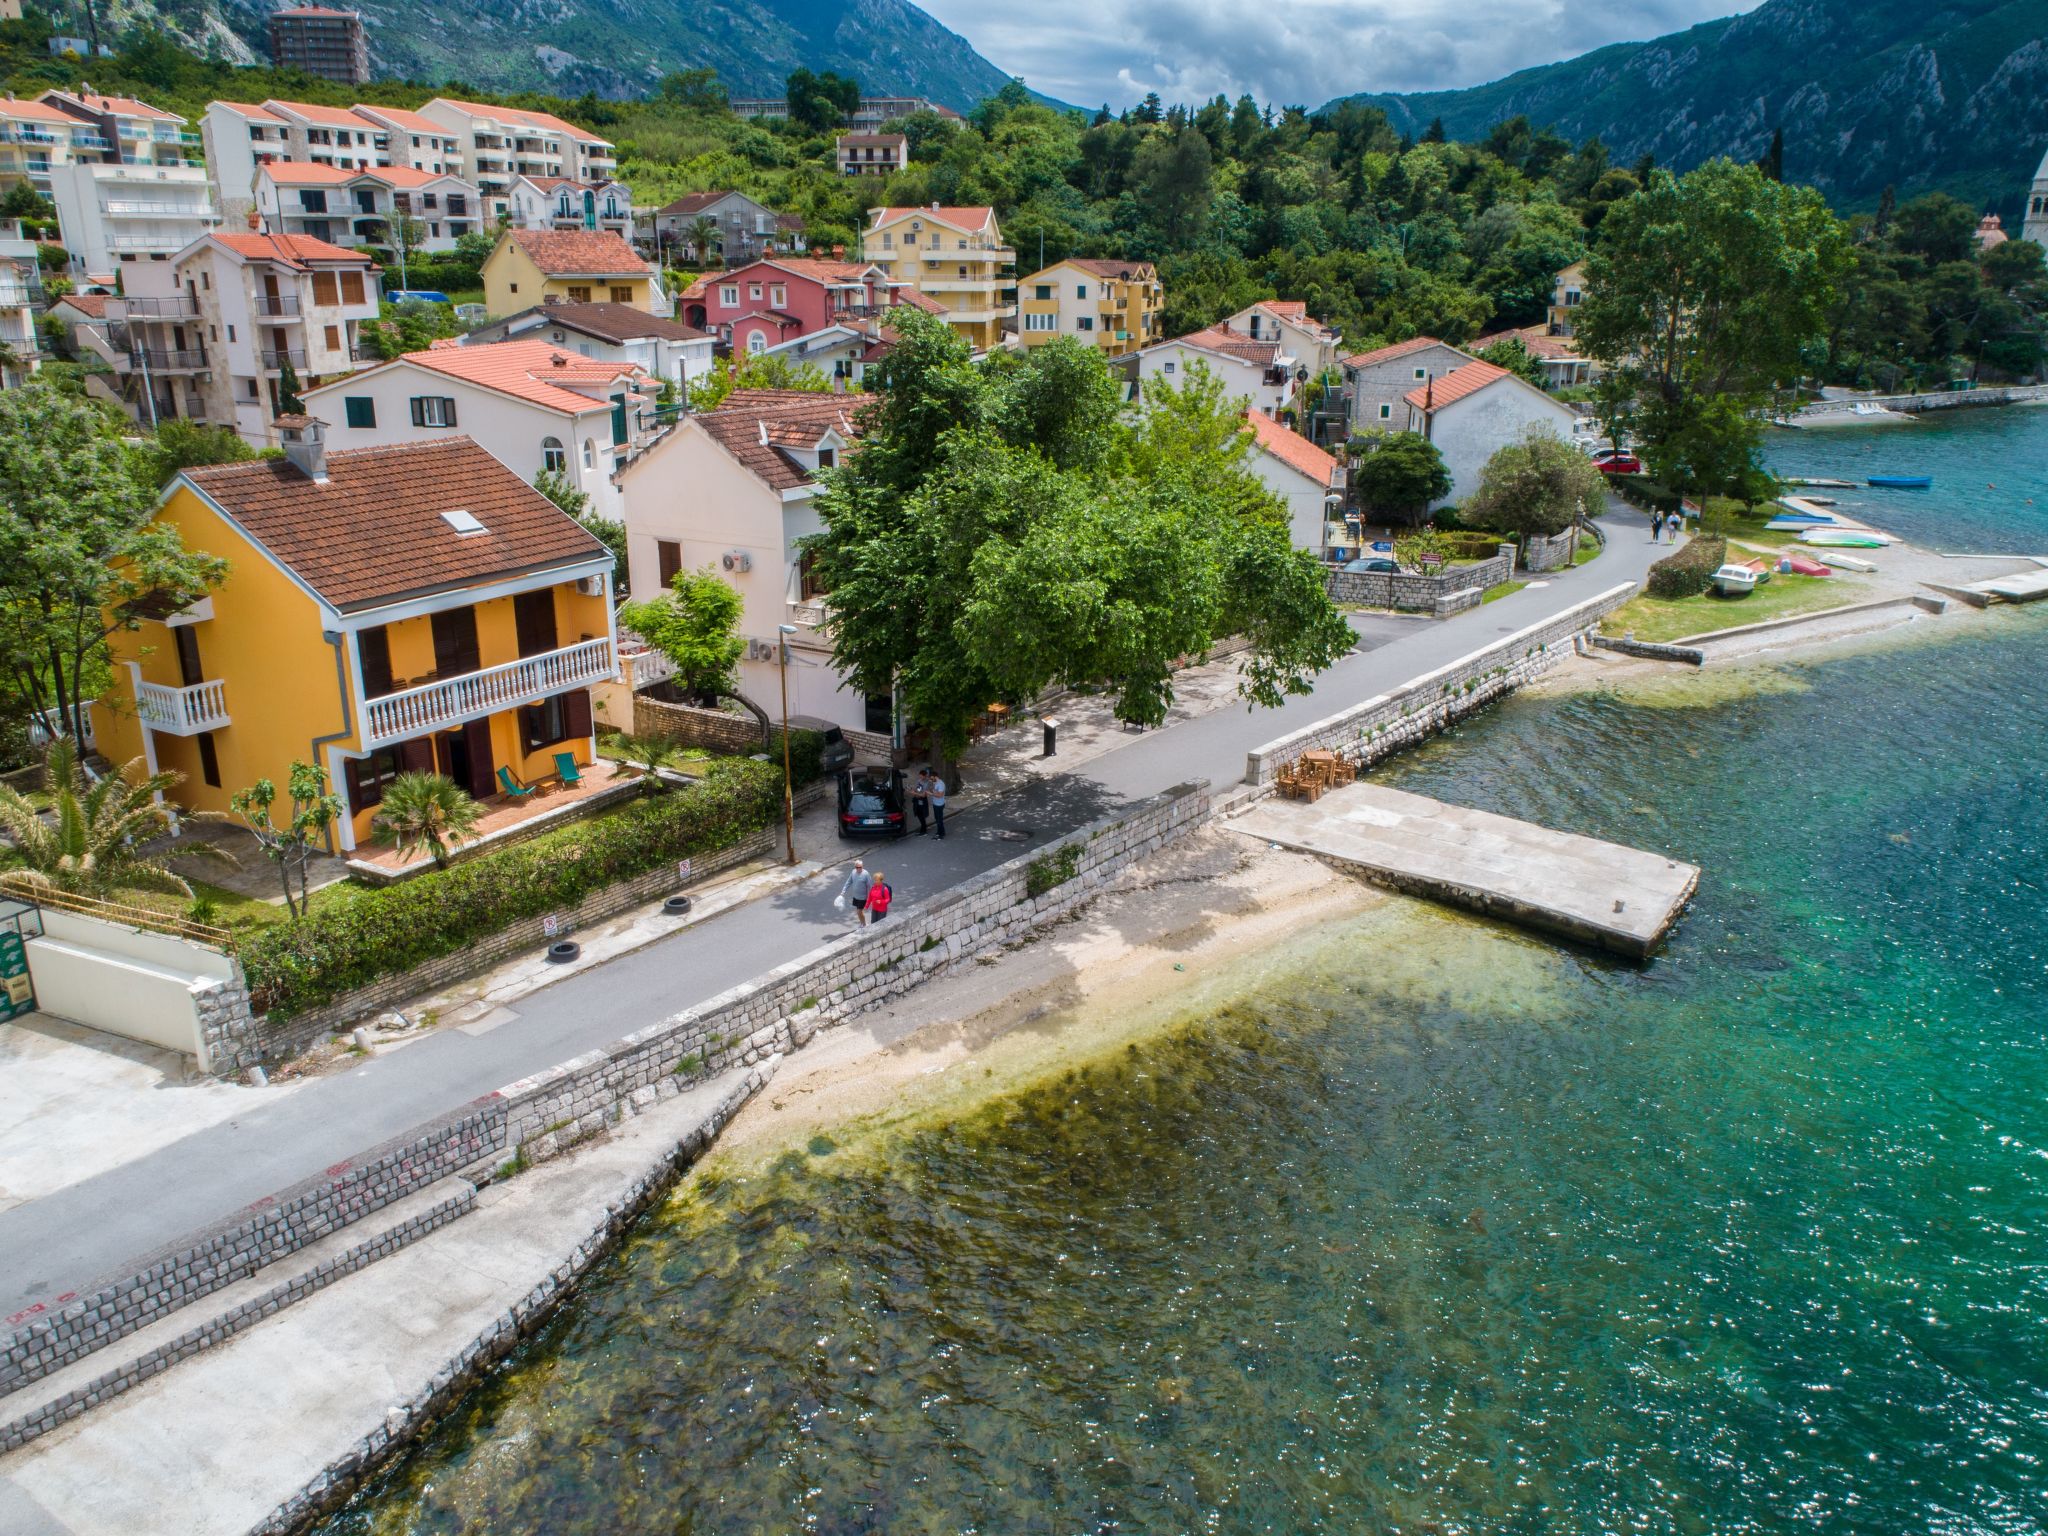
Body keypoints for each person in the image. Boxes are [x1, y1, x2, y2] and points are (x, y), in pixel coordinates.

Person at [839, 857, 873, 926]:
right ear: (855, 867)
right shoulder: (853, 872)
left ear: (862, 866)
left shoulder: (866, 874)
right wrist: (843, 891)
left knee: (859, 911)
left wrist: (871, 898)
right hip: (856, 896)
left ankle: (864, 924)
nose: (858, 869)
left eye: (859, 867)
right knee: (858, 911)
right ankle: (862, 923)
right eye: (856, 867)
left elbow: (870, 886)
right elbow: (848, 882)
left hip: (863, 897)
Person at [927, 769, 947, 839]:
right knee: (937, 819)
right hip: (935, 803)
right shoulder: (935, 782)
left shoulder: (940, 784)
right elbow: (934, 790)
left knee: (939, 820)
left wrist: (931, 794)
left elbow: (940, 795)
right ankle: (939, 832)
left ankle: (941, 835)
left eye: (931, 778)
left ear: (935, 776)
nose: (931, 779)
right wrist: (930, 785)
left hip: (939, 804)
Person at [910, 769, 931, 836]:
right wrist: (912, 790)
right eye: (920, 776)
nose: (920, 777)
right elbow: (916, 789)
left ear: (925, 776)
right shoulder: (919, 781)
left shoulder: (927, 783)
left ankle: (924, 831)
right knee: (918, 814)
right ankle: (923, 828)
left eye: (921, 776)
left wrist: (915, 793)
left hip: (922, 800)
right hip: (917, 800)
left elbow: (924, 795)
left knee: (922, 815)